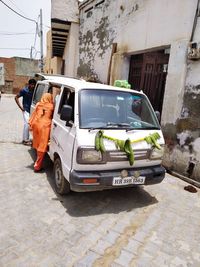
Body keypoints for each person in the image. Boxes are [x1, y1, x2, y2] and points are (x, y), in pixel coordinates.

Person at [29, 93, 54, 172]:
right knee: (42, 146)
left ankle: (37, 159)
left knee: (38, 143)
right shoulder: (51, 106)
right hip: (45, 127)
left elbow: (34, 114)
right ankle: (37, 166)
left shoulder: (38, 104)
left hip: (36, 125)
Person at [15, 78, 36, 145]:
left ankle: (30, 138)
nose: (32, 86)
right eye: (31, 84)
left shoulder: (35, 91)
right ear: (29, 84)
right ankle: (25, 139)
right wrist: (21, 107)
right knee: (27, 124)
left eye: (33, 85)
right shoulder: (24, 90)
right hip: (26, 110)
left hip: (33, 110)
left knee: (32, 125)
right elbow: (16, 97)